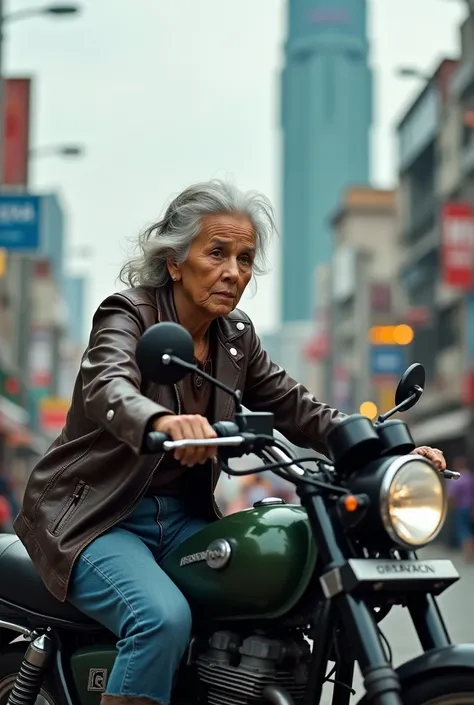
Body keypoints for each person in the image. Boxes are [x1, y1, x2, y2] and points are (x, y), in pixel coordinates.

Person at [14, 181, 446, 705]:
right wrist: (162, 422)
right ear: (175, 261)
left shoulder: (235, 338)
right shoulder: (127, 314)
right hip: (96, 518)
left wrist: (389, 455)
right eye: (216, 253)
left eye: (245, 258)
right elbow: (110, 385)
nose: (234, 272)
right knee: (162, 620)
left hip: (182, 520)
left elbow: (300, 409)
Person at [447, 455, 474, 561]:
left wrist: (449, 507)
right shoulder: (470, 477)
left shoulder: (456, 479)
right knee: (470, 529)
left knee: (463, 531)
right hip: (471, 507)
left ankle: (468, 554)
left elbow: (451, 495)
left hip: (460, 508)